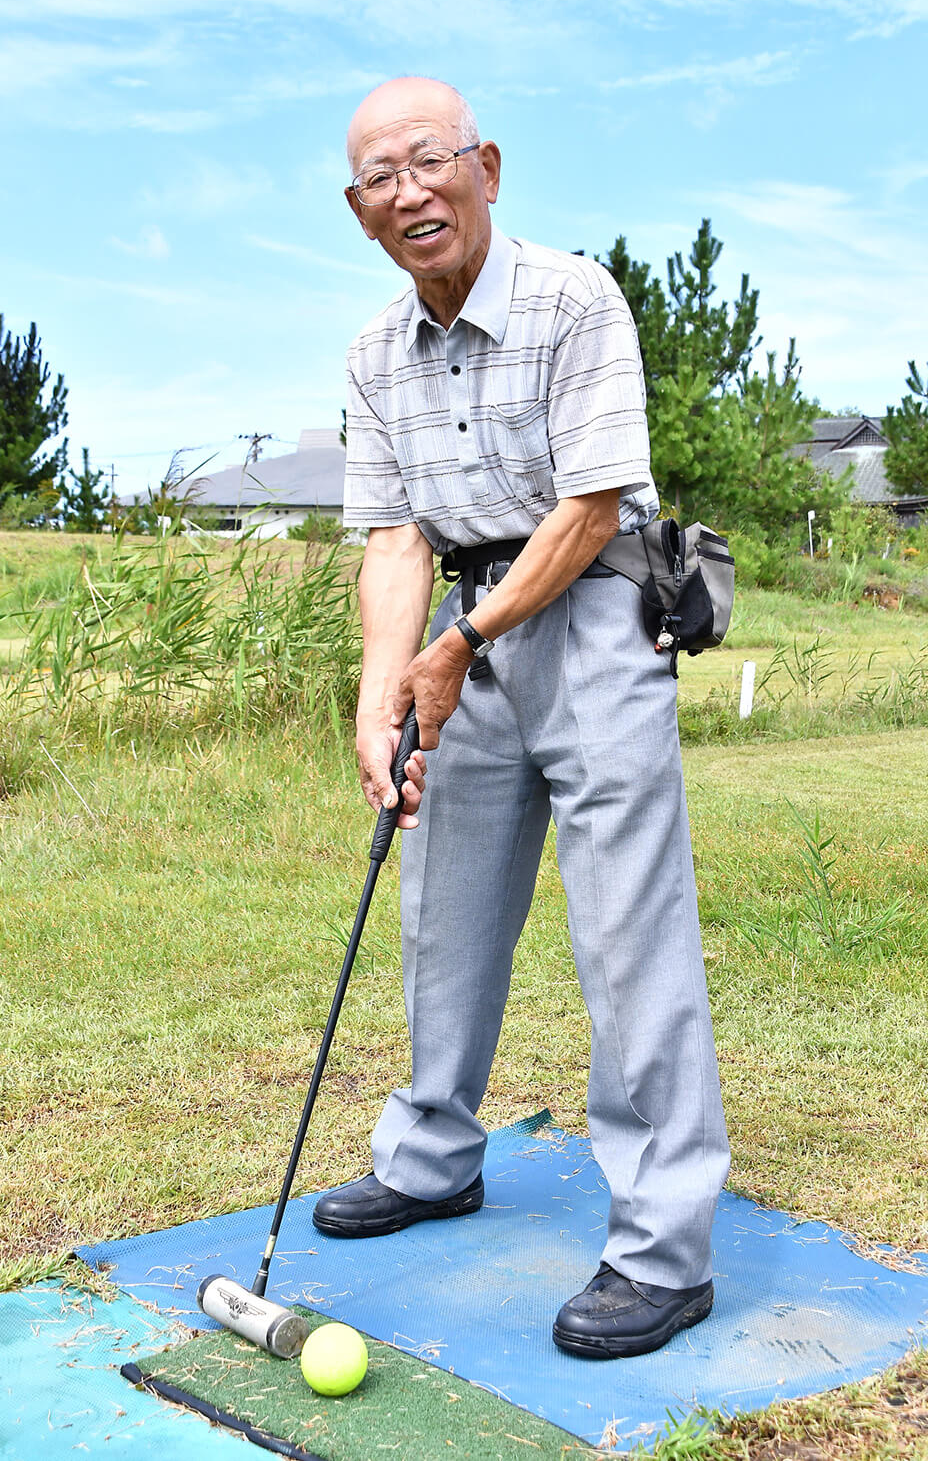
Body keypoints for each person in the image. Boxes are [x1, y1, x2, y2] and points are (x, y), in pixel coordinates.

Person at [312, 76, 730, 1360]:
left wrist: (458, 647)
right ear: (359, 210)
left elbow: (594, 506)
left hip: (591, 619)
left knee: (625, 932)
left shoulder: (571, 298)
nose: (410, 192)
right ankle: (434, 1157)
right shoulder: (375, 351)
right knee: (442, 907)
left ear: (486, 166)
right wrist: (386, 693)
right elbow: (394, 537)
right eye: (380, 177)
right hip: (460, 631)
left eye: (430, 162)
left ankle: (663, 1251)